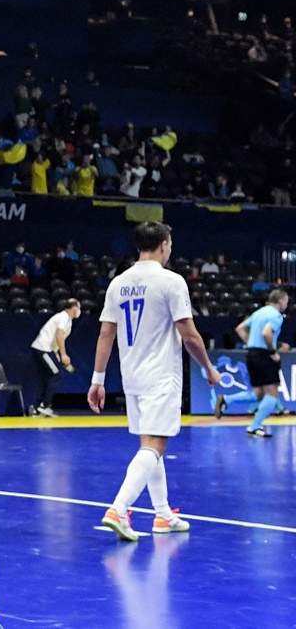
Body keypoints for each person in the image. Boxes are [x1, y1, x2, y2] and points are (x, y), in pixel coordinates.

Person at [88, 221, 220, 541]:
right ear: (163, 245)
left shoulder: (118, 283)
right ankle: (118, 509)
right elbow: (189, 335)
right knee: (154, 445)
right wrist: (208, 368)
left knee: (149, 444)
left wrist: (98, 379)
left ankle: (162, 515)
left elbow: (106, 333)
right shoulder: (171, 281)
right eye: (170, 243)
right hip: (161, 376)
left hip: (132, 377)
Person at [215, 289, 289, 436]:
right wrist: (272, 352)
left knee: (258, 394)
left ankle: (226, 399)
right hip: (264, 356)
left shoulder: (258, 312)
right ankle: (255, 426)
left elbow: (240, 328)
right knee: (272, 395)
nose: (287, 305)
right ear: (281, 301)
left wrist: (251, 343)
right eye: (286, 301)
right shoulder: (276, 316)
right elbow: (266, 333)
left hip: (251, 354)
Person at [30, 299, 81, 417]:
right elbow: (59, 335)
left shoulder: (68, 321)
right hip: (42, 348)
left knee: (47, 377)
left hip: (45, 349)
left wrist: (57, 354)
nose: (79, 311)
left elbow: (55, 339)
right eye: (78, 308)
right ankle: (44, 405)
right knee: (56, 375)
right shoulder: (63, 317)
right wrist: (63, 354)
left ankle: (37, 407)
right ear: (73, 307)